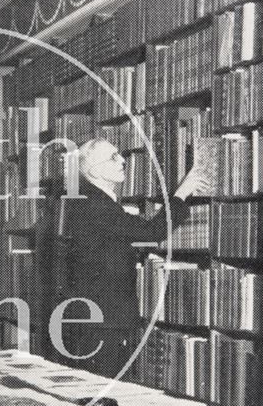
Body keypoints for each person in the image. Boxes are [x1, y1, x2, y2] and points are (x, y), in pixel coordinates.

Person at [55, 138, 209, 378]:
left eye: (120, 154)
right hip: (104, 319)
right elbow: (151, 233)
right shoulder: (96, 203)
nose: (123, 160)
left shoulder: (89, 199)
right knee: (106, 391)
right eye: (113, 157)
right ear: (94, 171)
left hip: (94, 315)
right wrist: (181, 194)